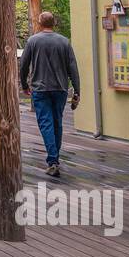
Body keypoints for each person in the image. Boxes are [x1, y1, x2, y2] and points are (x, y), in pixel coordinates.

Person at [18, 10, 81, 177]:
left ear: (39, 23)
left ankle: (53, 160)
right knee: (57, 122)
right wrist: (77, 90)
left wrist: (24, 85)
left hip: (40, 89)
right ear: (54, 23)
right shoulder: (64, 42)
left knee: (46, 123)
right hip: (60, 88)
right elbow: (73, 68)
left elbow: (23, 65)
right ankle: (55, 158)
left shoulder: (33, 41)